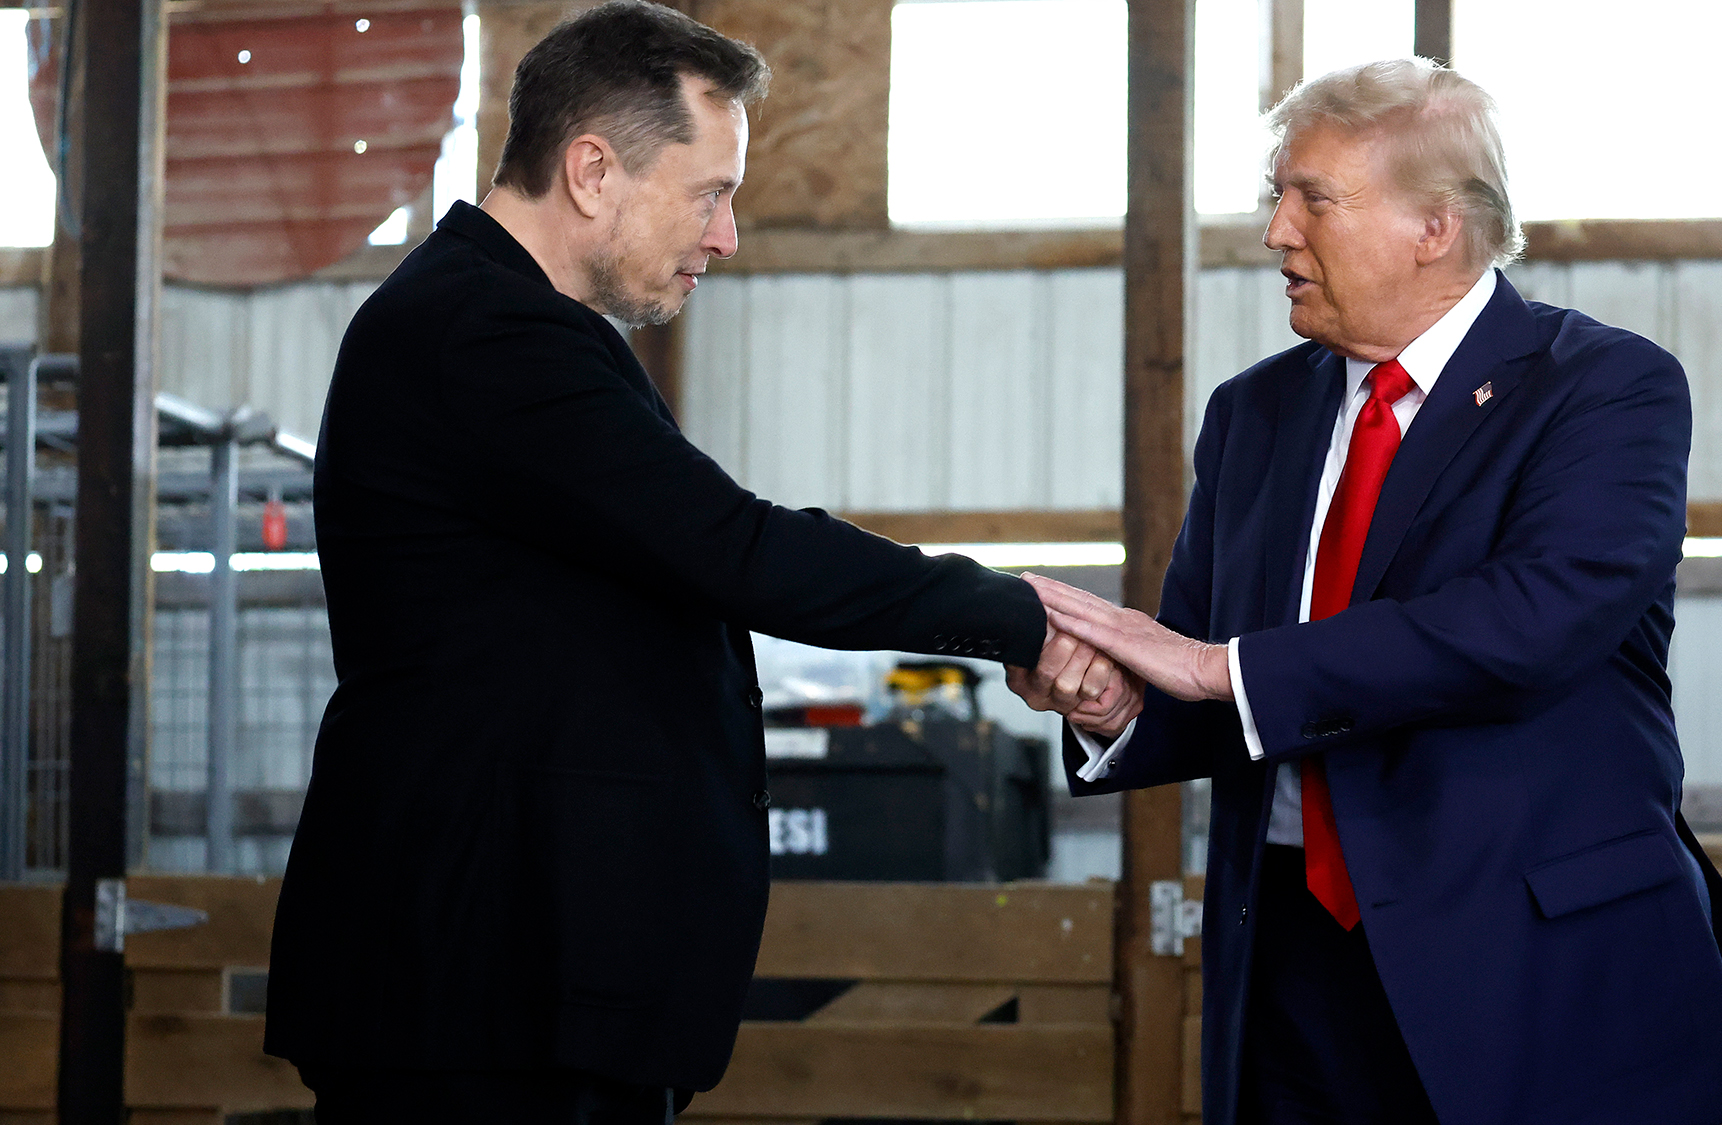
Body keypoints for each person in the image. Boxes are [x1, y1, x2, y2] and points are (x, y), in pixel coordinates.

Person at [263, 5, 1121, 1121]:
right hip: (479, 981)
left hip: (516, 976)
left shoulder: (510, 325)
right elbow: (739, 550)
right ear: (590, 170)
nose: (724, 235)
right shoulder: (486, 335)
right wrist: (1025, 617)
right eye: (709, 191)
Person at [1015, 58, 1722, 1125]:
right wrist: (1111, 703)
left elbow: (1533, 622)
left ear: (1435, 227)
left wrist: (1210, 666)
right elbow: (1208, 667)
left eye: (1310, 199)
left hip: (1529, 964)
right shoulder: (1253, 414)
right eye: (1274, 195)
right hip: (1288, 964)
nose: (1275, 232)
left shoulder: (1604, 386)